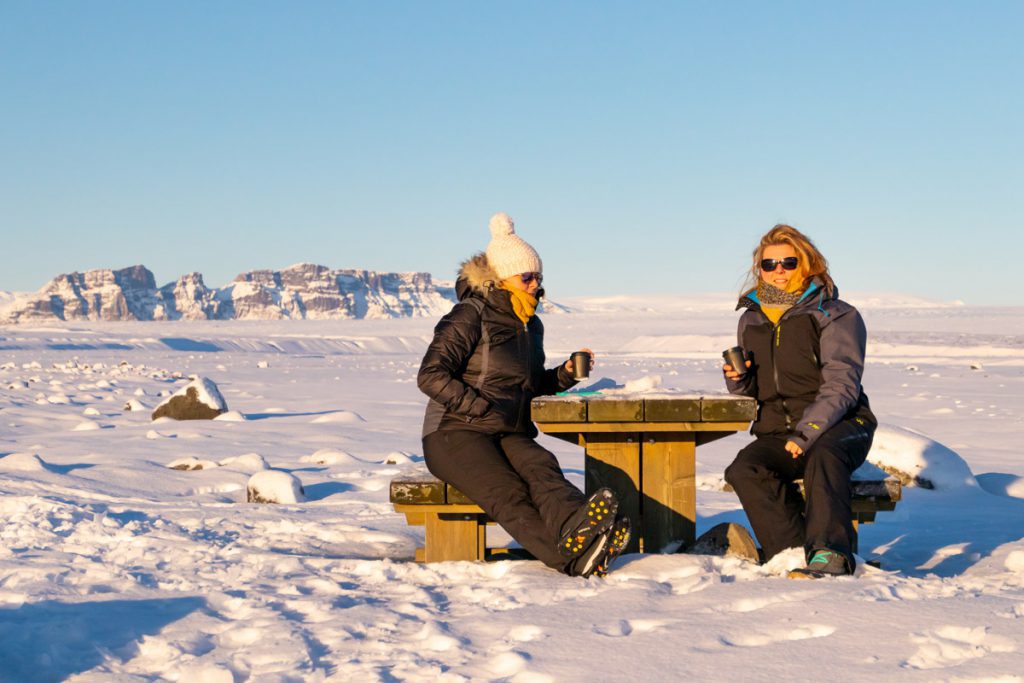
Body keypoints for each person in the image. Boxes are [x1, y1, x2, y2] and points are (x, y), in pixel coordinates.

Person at [417, 213, 630, 578]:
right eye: (527, 277)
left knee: (541, 466)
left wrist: (563, 376)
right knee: (508, 492)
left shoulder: (530, 325)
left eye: (538, 277)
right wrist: (477, 407)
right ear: (501, 278)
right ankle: (571, 559)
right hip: (455, 432)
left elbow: (530, 384)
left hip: (508, 430)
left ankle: (582, 530)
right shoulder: (471, 315)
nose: (535, 285)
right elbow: (431, 375)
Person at [722, 224, 876, 579]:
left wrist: (806, 433)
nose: (778, 271)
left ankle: (830, 554)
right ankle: (791, 554)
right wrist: (739, 380)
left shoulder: (835, 313)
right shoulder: (752, 318)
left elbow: (842, 384)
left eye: (788, 262)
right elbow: (752, 392)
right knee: (745, 469)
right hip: (780, 429)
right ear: (758, 269)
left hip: (842, 424)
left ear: (807, 265)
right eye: (769, 264)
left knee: (823, 456)